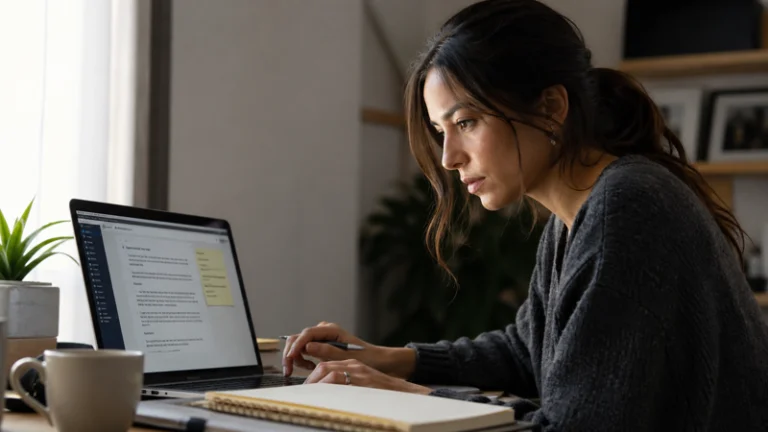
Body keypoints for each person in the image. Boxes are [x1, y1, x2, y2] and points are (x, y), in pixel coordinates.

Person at [282, 0, 768, 430]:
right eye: (440, 130)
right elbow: (525, 350)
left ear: (552, 107)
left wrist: (412, 397)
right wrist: (392, 360)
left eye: (466, 122)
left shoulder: (627, 204)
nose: (449, 157)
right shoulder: (576, 215)